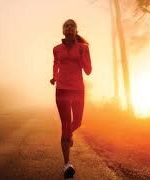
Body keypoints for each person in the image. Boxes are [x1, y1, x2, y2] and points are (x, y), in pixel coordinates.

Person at [50, 19, 92, 179]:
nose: (69, 27)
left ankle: (68, 136)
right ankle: (67, 164)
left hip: (78, 90)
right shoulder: (56, 49)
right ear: (63, 31)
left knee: (78, 122)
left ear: (76, 30)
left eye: (72, 25)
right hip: (61, 89)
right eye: (66, 25)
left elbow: (88, 71)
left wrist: (82, 55)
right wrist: (54, 77)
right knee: (66, 125)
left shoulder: (83, 48)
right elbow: (55, 64)